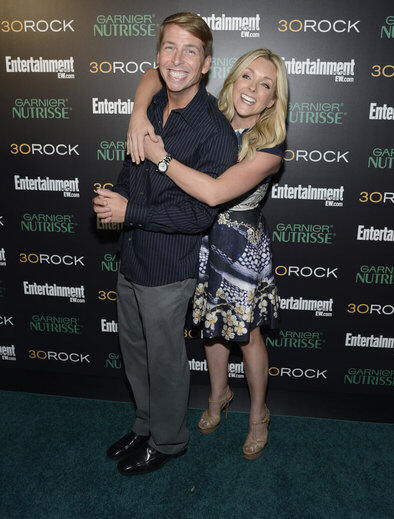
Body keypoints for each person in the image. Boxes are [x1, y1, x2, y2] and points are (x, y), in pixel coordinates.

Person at [124, 47, 288, 460]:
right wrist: (138, 114)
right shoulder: (213, 114)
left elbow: (215, 193)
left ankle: (257, 413)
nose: (252, 89)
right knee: (211, 326)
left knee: (246, 334)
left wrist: (162, 158)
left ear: (273, 99)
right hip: (196, 238)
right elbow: (151, 72)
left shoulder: (269, 147)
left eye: (265, 84)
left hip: (237, 247)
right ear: (233, 77)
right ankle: (218, 395)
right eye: (247, 76)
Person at [93, 12, 238, 475]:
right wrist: (118, 195)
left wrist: (129, 212)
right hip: (132, 255)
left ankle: (170, 442)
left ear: (206, 64)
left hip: (168, 268)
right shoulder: (154, 105)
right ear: (158, 56)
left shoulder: (214, 130)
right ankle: (145, 424)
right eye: (169, 48)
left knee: (166, 361)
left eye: (190, 51)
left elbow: (200, 215)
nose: (177, 59)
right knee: (134, 353)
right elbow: (136, 167)